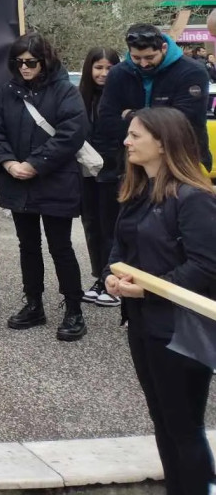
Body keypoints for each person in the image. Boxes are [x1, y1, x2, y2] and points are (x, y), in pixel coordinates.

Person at [107, 107, 216, 495]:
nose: (126, 142)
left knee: (183, 425)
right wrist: (111, 276)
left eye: (135, 135)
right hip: (143, 323)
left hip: (182, 329)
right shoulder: (137, 191)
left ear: (164, 143)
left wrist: (148, 288)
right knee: (164, 421)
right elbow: (120, 247)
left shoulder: (194, 198)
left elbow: (206, 266)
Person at [0, 34, 88, 341]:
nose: (24, 67)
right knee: (27, 245)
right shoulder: (6, 93)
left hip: (55, 180)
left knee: (60, 246)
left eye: (30, 62)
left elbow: (72, 133)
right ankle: (33, 303)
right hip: (18, 180)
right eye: (18, 62)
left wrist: (35, 163)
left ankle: (74, 308)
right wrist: (8, 162)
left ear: (45, 61)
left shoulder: (65, 91)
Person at [95, 23, 212, 174]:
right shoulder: (118, 73)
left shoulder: (192, 72)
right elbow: (107, 119)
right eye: (136, 58)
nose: (143, 64)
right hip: (131, 164)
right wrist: (159, 120)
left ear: (163, 48)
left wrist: (131, 115)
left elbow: (185, 121)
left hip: (182, 160)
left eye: (150, 57)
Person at [79, 46, 123, 306]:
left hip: (114, 171)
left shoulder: (121, 96)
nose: (104, 73)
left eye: (109, 68)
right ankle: (100, 277)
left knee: (111, 228)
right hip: (87, 172)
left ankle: (113, 280)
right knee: (92, 226)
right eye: (98, 67)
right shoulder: (80, 97)